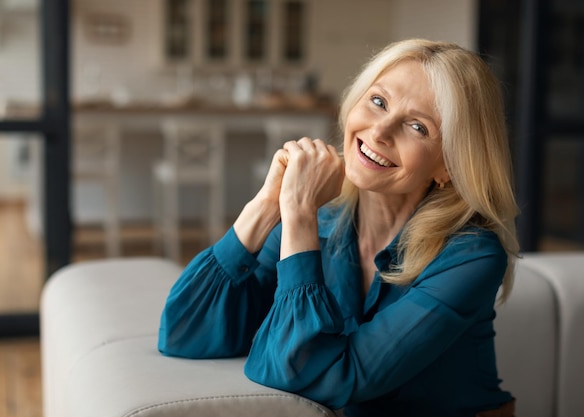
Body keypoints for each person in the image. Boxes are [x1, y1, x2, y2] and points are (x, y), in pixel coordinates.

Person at [158, 38, 520, 417]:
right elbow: (185, 332)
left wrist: (297, 212)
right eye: (378, 101)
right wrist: (268, 204)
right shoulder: (324, 221)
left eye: (417, 127)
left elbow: (338, 377)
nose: (380, 130)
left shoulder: (472, 255)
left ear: (449, 165)